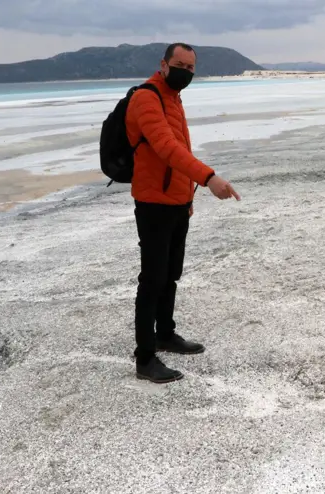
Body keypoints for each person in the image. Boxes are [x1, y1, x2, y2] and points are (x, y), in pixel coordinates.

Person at [125, 42, 240, 384]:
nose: (186, 72)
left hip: (176, 203)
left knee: (170, 275)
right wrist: (207, 178)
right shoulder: (147, 98)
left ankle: (165, 334)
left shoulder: (173, 98)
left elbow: (180, 152)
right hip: (152, 204)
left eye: (191, 68)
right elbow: (166, 148)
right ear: (163, 64)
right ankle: (145, 358)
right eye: (180, 65)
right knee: (152, 280)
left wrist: (187, 198)